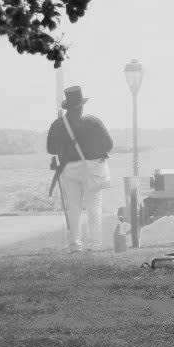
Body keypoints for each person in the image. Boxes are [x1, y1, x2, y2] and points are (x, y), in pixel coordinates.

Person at [47, 86, 113, 251]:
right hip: (91, 168)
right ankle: (95, 243)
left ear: (68, 106)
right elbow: (108, 144)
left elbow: (51, 149)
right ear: (81, 105)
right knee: (94, 207)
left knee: (73, 208)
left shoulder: (58, 124)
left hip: (68, 168)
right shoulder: (93, 122)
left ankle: (75, 244)